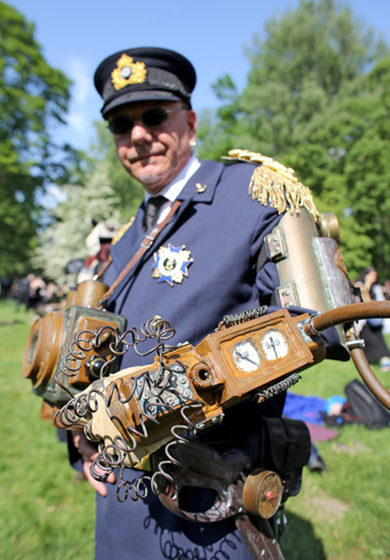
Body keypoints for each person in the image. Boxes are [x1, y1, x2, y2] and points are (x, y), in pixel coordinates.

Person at [68, 47, 342, 560]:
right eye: (122, 126)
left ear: (190, 122)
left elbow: (321, 324)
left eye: (154, 117)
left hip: (207, 508)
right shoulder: (125, 240)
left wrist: (175, 388)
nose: (139, 135)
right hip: (121, 509)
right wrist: (82, 439)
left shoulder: (255, 195)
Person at [356, 267, 390, 371]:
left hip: (374, 319)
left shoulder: (376, 288)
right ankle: (366, 364)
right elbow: (360, 302)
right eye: (372, 275)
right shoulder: (359, 286)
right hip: (364, 319)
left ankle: (384, 361)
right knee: (366, 343)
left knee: (379, 340)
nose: (374, 278)